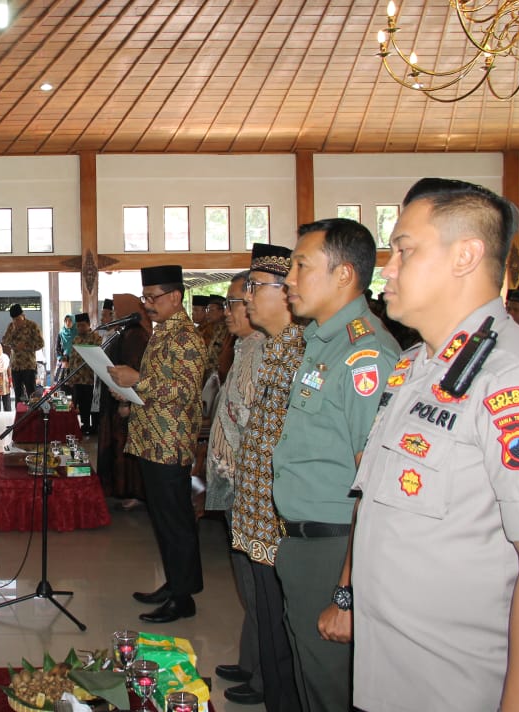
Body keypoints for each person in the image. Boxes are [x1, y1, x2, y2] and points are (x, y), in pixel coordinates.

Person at [352, 178, 519, 711]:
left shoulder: (514, 379)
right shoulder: (416, 366)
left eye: (404, 251)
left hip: (456, 686)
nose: (387, 270)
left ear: (465, 256)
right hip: (388, 669)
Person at [272, 218, 399, 712]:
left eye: (301, 266)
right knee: (311, 679)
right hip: (305, 542)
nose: (289, 279)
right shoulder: (325, 342)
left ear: (344, 274)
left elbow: (376, 487)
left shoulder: (365, 355)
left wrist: (346, 592)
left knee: (331, 689)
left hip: (336, 547)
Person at [229, 245, 304, 712]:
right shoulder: (276, 348)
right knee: (268, 621)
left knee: (282, 629)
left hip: (279, 525)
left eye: (256, 287)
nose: (246, 297)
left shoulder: (302, 352)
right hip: (257, 516)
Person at [109, 265, 205, 624]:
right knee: (165, 521)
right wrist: (128, 392)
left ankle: (183, 599)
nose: (147, 304)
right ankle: (175, 583)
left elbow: (185, 391)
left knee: (175, 521)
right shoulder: (164, 332)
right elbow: (159, 385)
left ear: (175, 297)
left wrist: (138, 381)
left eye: (153, 297)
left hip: (170, 442)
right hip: (152, 439)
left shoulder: (187, 337)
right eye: (144, 297)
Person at [204, 272, 266, 707]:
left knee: (258, 585)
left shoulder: (265, 351)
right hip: (231, 480)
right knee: (245, 578)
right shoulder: (243, 346)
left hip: (248, 484)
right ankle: (250, 660)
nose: (226, 312)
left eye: (233, 303)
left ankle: (263, 674)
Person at [97, 294, 151, 504]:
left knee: (126, 449)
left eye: (118, 311)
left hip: (126, 400)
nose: (115, 315)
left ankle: (132, 491)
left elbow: (132, 368)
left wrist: (125, 402)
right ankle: (119, 489)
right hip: (115, 396)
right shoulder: (124, 331)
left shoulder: (136, 335)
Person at [65, 312, 101, 434]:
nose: (80, 328)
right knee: (82, 403)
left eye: (82, 325)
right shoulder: (76, 339)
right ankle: (85, 425)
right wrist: (70, 376)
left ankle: (95, 426)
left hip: (91, 379)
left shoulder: (96, 338)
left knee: (92, 404)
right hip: (78, 379)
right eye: (78, 325)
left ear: (88, 324)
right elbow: (72, 359)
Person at [1, 303, 44, 403]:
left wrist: (26, 346)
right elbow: (4, 341)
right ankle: (19, 412)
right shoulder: (11, 326)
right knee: (18, 394)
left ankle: (32, 412)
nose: (16, 321)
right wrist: (13, 331)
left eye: (18, 319)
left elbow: (41, 343)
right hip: (15, 365)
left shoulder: (32, 326)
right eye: (14, 319)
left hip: (28, 365)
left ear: (23, 315)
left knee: (31, 393)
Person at [55, 314, 76, 385]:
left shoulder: (77, 333)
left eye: (70, 321)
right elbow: (57, 348)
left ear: (73, 322)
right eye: (66, 321)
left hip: (75, 359)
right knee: (62, 382)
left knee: (73, 383)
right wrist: (61, 359)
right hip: (64, 359)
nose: (68, 323)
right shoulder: (61, 333)